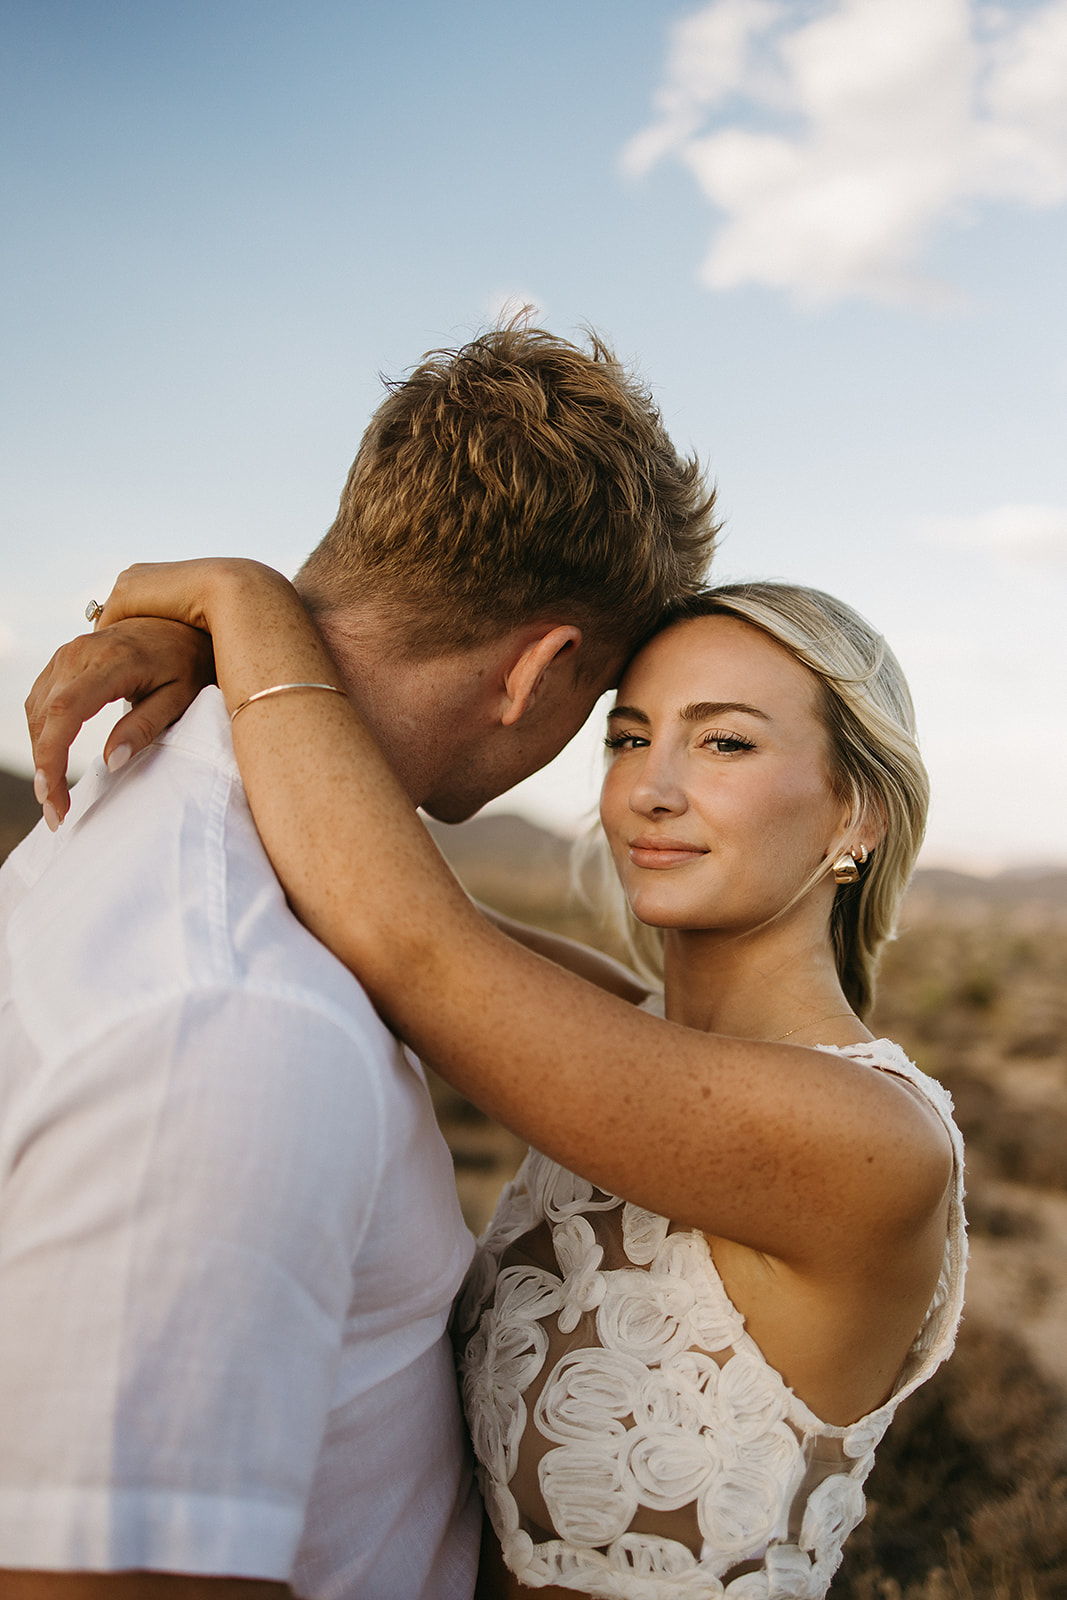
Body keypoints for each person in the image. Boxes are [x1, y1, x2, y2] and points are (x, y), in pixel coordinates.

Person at [29, 562, 965, 1600]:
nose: (649, 788)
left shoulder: (870, 1141)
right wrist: (211, 670)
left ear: (859, 816)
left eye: (725, 741)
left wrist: (240, 601)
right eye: (626, 737)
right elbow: (345, 862)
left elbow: (408, 937)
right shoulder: (615, 1025)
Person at [1, 324, 718, 1600]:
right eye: (610, 715)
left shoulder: (175, 811)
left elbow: (424, 933)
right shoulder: (231, 1019)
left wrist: (239, 604)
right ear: (541, 671)